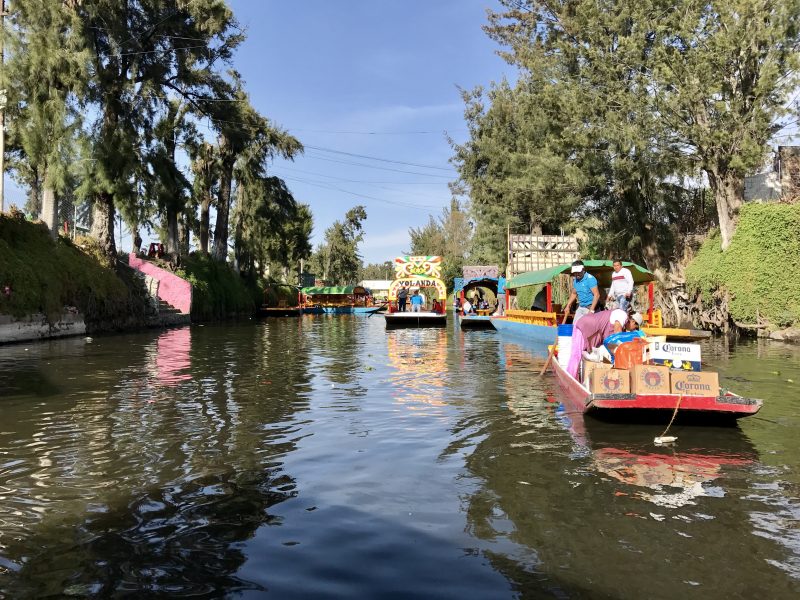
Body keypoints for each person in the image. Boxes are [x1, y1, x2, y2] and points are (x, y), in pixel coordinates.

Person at [566, 308, 634, 377]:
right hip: (586, 326)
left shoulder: (619, 317)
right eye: (635, 328)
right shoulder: (622, 314)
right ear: (633, 322)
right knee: (576, 355)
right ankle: (569, 379)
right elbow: (617, 332)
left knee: (579, 355)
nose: (632, 331)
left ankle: (573, 377)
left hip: (587, 326)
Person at [561, 260, 599, 325]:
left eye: (578, 272)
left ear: (583, 269)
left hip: (590, 307)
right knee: (575, 326)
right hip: (581, 307)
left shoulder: (590, 279)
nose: (577, 274)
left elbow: (597, 295)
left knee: (587, 328)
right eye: (575, 272)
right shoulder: (576, 280)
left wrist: (591, 311)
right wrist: (568, 305)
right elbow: (574, 293)